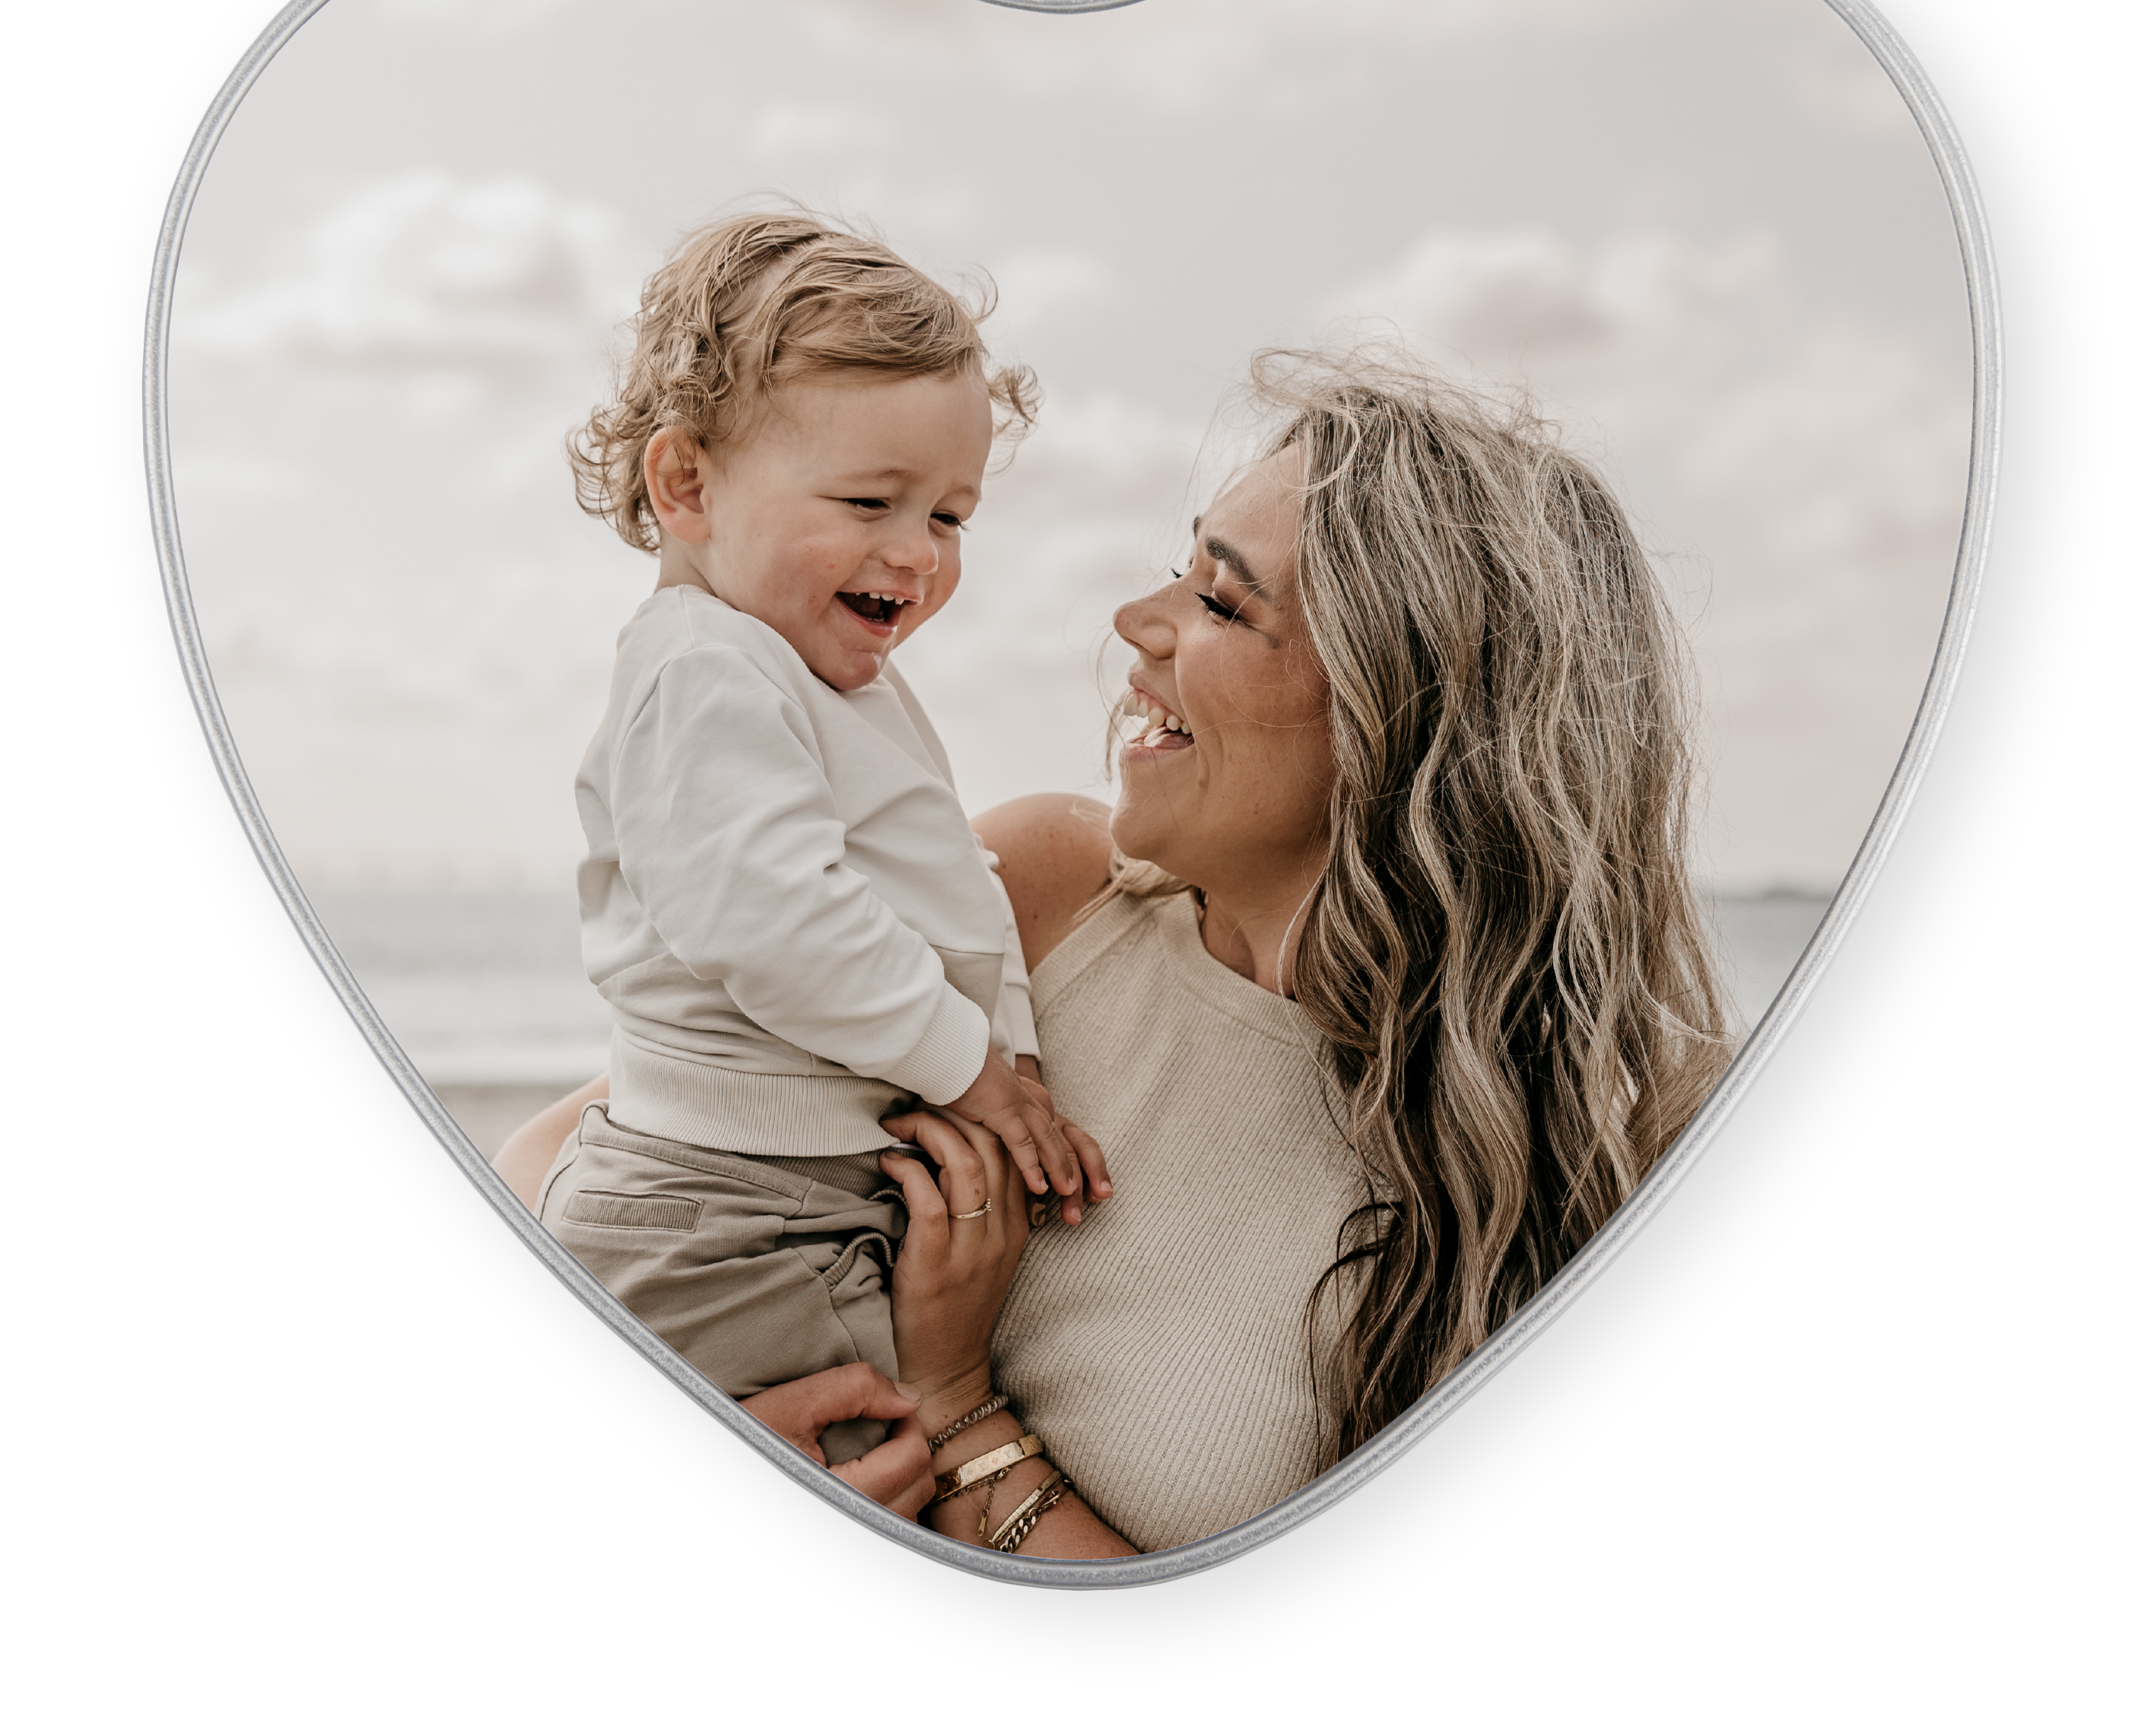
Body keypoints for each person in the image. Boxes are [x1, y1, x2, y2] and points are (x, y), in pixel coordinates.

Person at [498, 349, 1733, 1553]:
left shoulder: (1604, 1169)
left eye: (1221, 602)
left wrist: (957, 1409)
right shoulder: (1041, 893)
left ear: (1407, 718)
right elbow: (577, 1158)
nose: (1136, 622)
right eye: (1178, 571)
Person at [532, 211, 1109, 1468]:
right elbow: (770, 916)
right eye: (869, 502)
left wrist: (1014, 1058)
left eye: (949, 516)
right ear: (686, 486)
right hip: (720, 1216)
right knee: (862, 1467)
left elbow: (948, 889)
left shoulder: (818, 680)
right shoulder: (701, 669)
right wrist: (969, 1067)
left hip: (785, 1200)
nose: (917, 553)